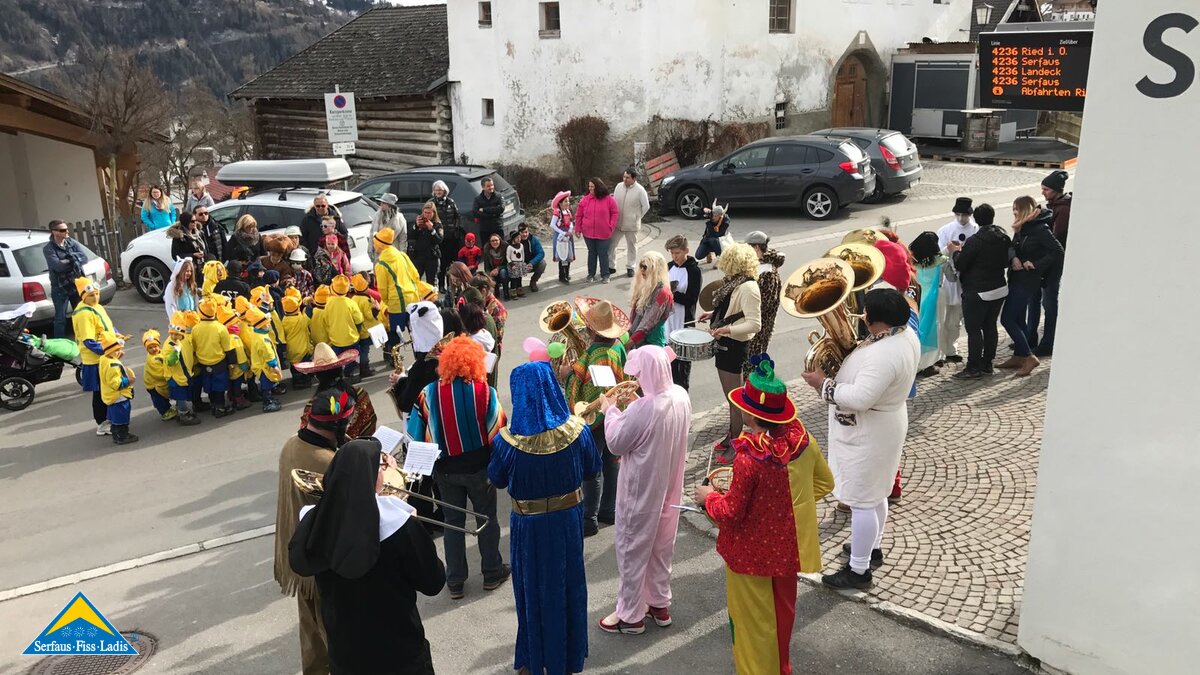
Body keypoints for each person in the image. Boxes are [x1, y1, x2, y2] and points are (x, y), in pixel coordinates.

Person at [695, 355, 833, 674]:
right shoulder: (802, 441)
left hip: (750, 555)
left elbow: (729, 513)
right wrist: (785, 511)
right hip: (786, 550)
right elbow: (825, 483)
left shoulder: (749, 459)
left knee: (750, 628)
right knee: (782, 620)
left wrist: (708, 498)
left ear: (751, 413)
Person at [289, 439, 446, 675]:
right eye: (380, 468)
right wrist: (415, 527)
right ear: (373, 478)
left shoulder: (315, 523)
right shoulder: (399, 526)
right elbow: (433, 581)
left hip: (346, 658)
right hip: (400, 654)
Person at [799, 288, 919, 590]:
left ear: (877, 320)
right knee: (876, 493)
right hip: (882, 423)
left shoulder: (884, 353)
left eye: (866, 312)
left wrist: (822, 383)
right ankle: (871, 548)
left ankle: (859, 570)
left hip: (869, 430)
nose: (862, 315)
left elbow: (861, 397)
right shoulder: (902, 336)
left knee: (862, 500)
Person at [488, 361, 602, 675]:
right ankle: (567, 658)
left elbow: (495, 478)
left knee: (533, 591)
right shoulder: (578, 432)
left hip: (529, 529)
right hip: (567, 523)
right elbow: (594, 469)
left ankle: (533, 659)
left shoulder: (507, 443)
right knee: (567, 587)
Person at [598, 344, 691, 634]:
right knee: (662, 547)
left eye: (639, 374)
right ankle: (659, 605)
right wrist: (637, 400)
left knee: (632, 549)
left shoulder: (644, 407)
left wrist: (610, 410)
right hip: (669, 486)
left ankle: (630, 616)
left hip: (641, 489)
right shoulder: (680, 395)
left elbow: (616, 442)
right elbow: (653, 421)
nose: (636, 379)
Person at [407, 336, 509, 600]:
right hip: (479, 468)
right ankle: (492, 571)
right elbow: (499, 431)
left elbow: (415, 434)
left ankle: (455, 581)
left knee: (453, 523)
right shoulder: (485, 391)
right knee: (487, 519)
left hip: (445, 470)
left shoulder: (428, 393)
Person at [270, 389, 356, 675]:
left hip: (296, 554)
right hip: (319, 561)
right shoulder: (326, 461)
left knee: (311, 636)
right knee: (336, 635)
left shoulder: (290, 445)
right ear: (336, 426)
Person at [564, 297, 631, 536]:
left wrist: (570, 372)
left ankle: (589, 519)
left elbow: (597, 389)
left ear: (593, 328)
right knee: (612, 462)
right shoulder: (618, 346)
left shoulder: (597, 352)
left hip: (596, 416)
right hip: (616, 412)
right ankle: (608, 510)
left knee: (592, 468)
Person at [698, 244, 762, 462]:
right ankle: (732, 434)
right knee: (731, 397)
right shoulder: (736, 283)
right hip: (726, 344)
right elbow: (733, 311)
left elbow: (755, 324)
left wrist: (727, 330)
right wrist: (712, 314)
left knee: (736, 399)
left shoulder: (748, 287)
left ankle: (738, 441)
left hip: (734, 347)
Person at [998, 197, 1064, 378]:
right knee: (1018, 318)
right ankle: (1019, 355)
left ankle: (1028, 357)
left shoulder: (1039, 229)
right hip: (1016, 277)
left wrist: (1034, 263)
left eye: (1016, 210)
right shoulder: (1022, 226)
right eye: (1013, 209)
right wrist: (1014, 258)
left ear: (1026, 210)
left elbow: (1057, 252)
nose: (1014, 213)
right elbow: (1013, 247)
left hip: (1028, 280)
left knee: (1007, 318)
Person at [951, 204, 1012, 379]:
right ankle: (987, 364)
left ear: (976, 219)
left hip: (978, 291)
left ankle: (973, 367)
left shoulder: (975, 241)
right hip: (999, 288)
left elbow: (961, 264)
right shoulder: (1003, 237)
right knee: (990, 325)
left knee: (974, 329)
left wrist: (955, 252)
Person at [1028, 169, 1071, 357]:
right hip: (1044, 264)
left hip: (1052, 266)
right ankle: (1030, 338)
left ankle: (1048, 343)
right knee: (1036, 300)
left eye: (1045, 189)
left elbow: (1056, 241)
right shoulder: (1053, 207)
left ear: (1055, 190)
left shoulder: (1063, 210)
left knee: (1049, 303)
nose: (1042, 192)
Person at [73, 278, 119, 435]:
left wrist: (117, 336)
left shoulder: (97, 307)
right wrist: (110, 349)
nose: (95, 297)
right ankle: (102, 423)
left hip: (107, 355)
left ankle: (111, 418)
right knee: (100, 393)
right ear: (83, 296)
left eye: (97, 294)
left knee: (109, 389)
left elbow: (108, 326)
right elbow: (89, 341)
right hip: (95, 360)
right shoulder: (84, 314)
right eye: (91, 295)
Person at [935, 197, 979, 364]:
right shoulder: (945, 230)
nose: (961, 218)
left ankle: (951, 349)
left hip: (965, 280)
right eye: (958, 214)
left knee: (955, 320)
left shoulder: (975, 230)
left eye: (965, 215)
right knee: (942, 318)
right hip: (948, 280)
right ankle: (939, 352)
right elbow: (938, 256)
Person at [373, 227, 422, 351]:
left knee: (394, 332)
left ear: (380, 246)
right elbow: (415, 274)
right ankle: (419, 355)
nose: (374, 246)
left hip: (396, 302)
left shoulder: (381, 265)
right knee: (414, 331)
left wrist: (386, 302)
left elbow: (382, 289)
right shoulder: (402, 255)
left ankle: (393, 357)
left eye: (374, 244)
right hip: (412, 297)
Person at [743, 231, 784, 376]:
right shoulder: (756, 265)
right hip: (749, 325)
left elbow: (764, 305)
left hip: (758, 330)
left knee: (752, 368)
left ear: (756, 248)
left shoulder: (768, 273)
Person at [665, 235, 701, 389]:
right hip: (668, 320)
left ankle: (683, 394)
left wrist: (673, 293)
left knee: (683, 366)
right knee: (669, 362)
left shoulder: (694, 271)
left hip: (684, 321)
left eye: (677, 253)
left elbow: (692, 299)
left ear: (686, 250)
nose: (675, 257)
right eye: (672, 253)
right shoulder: (669, 266)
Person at [192, 297, 237, 417]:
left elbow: (194, 346)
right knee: (220, 386)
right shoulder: (220, 328)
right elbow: (228, 347)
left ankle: (213, 404)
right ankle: (220, 407)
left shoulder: (195, 329)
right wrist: (232, 362)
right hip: (219, 362)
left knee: (209, 385)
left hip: (203, 362)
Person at [908, 231, 945, 376]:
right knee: (934, 331)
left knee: (917, 330)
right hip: (935, 299)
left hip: (916, 299)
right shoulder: (940, 261)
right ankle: (928, 364)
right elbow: (951, 276)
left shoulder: (911, 260)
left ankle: (915, 362)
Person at [42, 220, 87, 339]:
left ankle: (85, 339)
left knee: (81, 314)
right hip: (60, 287)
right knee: (60, 319)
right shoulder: (49, 249)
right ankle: (59, 345)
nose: (67, 231)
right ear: (54, 232)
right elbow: (58, 267)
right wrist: (73, 260)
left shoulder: (71, 242)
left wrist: (68, 259)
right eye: (63, 230)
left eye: (66, 229)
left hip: (76, 284)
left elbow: (84, 258)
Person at [575, 177, 619, 284]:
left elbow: (615, 213)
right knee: (592, 253)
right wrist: (578, 229)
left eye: (593, 187)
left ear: (598, 187)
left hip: (604, 232)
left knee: (603, 254)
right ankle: (591, 274)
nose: (590, 189)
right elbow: (579, 215)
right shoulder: (584, 200)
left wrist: (611, 226)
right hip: (588, 233)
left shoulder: (609, 199)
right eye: (589, 186)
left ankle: (605, 275)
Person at [609, 168, 650, 278]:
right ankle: (611, 266)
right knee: (612, 244)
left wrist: (637, 217)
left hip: (631, 225)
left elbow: (646, 206)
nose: (625, 179)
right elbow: (613, 201)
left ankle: (630, 267)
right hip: (618, 223)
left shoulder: (640, 190)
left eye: (627, 177)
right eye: (624, 177)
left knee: (632, 246)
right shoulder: (618, 187)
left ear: (634, 178)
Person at [626, 251, 673, 348]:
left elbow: (647, 324)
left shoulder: (662, 292)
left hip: (652, 344)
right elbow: (633, 316)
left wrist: (627, 345)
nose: (642, 270)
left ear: (655, 269)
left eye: (645, 267)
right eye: (641, 266)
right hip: (637, 340)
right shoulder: (644, 286)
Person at [98, 335, 138, 445]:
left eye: (119, 349)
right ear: (109, 351)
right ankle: (122, 436)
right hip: (118, 396)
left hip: (110, 396)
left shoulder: (104, 359)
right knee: (122, 416)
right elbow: (116, 383)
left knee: (115, 417)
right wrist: (129, 381)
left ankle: (116, 434)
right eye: (116, 350)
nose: (119, 352)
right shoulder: (113, 366)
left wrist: (116, 356)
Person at [325, 275, 365, 382]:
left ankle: (338, 377)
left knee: (337, 360)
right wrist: (358, 331)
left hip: (335, 339)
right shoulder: (351, 302)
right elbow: (359, 320)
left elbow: (326, 320)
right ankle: (348, 375)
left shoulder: (329, 303)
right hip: (351, 338)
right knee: (351, 359)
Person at [245, 306, 284, 412]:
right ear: (262, 326)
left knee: (268, 384)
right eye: (267, 323)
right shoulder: (263, 340)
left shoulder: (258, 335)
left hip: (261, 366)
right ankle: (267, 402)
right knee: (266, 385)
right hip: (265, 367)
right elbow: (268, 354)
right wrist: (274, 366)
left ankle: (269, 399)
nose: (269, 325)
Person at [140, 329, 176, 422]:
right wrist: (170, 373)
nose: (153, 349)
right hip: (154, 385)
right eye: (150, 348)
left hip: (157, 383)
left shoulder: (160, 353)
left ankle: (168, 409)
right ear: (147, 349)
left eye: (155, 346)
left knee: (163, 397)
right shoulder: (153, 360)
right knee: (159, 399)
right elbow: (159, 374)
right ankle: (165, 412)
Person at [432, 181, 462, 292]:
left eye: (440, 190)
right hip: (439, 239)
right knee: (442, 264)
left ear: (445, 191)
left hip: (452, 238)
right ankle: (441, 285)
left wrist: (456, 229)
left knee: (452, 263)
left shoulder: (451, 202)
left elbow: (457, 216)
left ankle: (451, 285)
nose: (438, 192)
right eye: (436, 190)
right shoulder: (432, 203)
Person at [411, 201, 443, 284]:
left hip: (431, 257)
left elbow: (439, 240)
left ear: (433, 213)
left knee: (431, 282)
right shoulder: (419, 222)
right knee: (415, 280)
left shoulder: (437, 224)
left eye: (429, 213)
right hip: (418, 256)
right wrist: (416, 226)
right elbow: (411, 236)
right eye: (425, 213)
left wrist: (432, 230)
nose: (427, 215)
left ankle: (431, 297)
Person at [369, 193, 407, 264]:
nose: (381, 205)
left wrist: (403, 254)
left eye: (383, 203)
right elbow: (372, 233)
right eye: (381, 203)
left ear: (390, 205)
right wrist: (370, 249)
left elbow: (403, 238)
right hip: (379, 253)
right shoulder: (377, 216)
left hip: (393, 253)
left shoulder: (400, 218)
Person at [550, 191, 576, 284]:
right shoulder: (557, 212)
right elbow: (552, 225)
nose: (567, 203)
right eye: (565, 201)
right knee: (562, 255)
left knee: (568, 254)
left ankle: (567, 273)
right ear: (560, 203)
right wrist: (563, 233)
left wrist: (570, 230)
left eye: (568, 201)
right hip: (560, 237)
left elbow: (571, 223)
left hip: (568, 236)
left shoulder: (568, 211)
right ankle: (562, 275)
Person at [471, 177, 505, 242]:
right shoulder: (478, 199)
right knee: (486, 248)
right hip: (485, 229)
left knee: (500, 248)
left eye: (492, 185)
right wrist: (493, 214)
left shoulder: (498, 196)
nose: (491, 187)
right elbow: (475, 212)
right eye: (488, 186)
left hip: (497, 227)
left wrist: (484, 209)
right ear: (483, 187)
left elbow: (501, 208)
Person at [518, 223, 546, 293]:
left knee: (543, 263)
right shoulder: (514, 241)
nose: (524, 234)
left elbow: (541, 253)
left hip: (531, 264)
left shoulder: (534, 240)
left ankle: (533, 281)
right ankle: (517, 286)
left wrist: (532, 263)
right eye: (522, 232)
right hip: (519, 265)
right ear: (518, 232)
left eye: (526, 232)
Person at [505, 230, 526, 299]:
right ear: (513, 239)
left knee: (519, 278)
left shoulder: (521, 246)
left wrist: (523, 262)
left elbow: (523, 254)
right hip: (513, 264)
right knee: (513, 279)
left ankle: (519, 290)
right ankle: (513, 291)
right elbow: (507, 256)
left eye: (519, 237)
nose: (519, 239)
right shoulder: (510, 247)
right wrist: (511, 264)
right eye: (517, 238)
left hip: (520, 263)